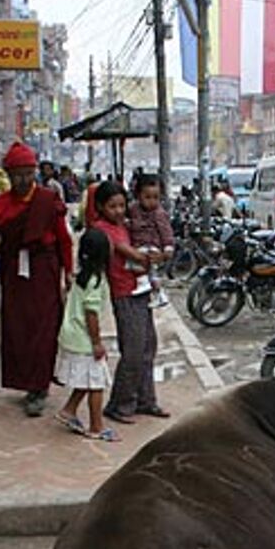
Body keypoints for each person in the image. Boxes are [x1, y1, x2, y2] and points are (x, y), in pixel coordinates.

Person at [0, 141, 73, 417]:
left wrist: (69, 271)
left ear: (35, 172)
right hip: (14, 273)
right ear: (7, 175)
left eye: (27, 173)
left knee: (44, 326)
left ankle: (39, 387)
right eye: (16, 174)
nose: (22, 180)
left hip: (44, 269)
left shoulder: (47, 200)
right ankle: (25, 381)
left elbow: (64, 239)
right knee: (18, 327)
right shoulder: (1, 204)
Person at [92, 180, 169, 425]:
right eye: (112, 206)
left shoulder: (125, 225)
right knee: (134, 350)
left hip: (141, 289)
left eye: (122, 205)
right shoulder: (102, 228)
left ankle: (145, 400)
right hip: (124, 293)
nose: (118, 210)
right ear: (101, 207)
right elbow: (129, 252)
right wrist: (154, 256)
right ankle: (119, 404)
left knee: (148, 347)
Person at [54, 228, 119, 442]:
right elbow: (91, 314)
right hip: (84, 340)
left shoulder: (81, 277)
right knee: (97, 383)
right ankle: (96, 426)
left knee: (85, 378)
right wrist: (97, 342)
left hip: (71, 336)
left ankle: (69, 410)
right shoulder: (96, 281)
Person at [128, 172, 174, 309]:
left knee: (141, 266)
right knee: (150, 273)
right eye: (147, 197)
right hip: (138, 244)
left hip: (151, 246)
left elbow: (166, 232)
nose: (152, 201)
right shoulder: (133, 209)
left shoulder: (159, 214)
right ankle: (158, 294)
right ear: (138, 195)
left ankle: (149, 287)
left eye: (156, 198)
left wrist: (167, 249)